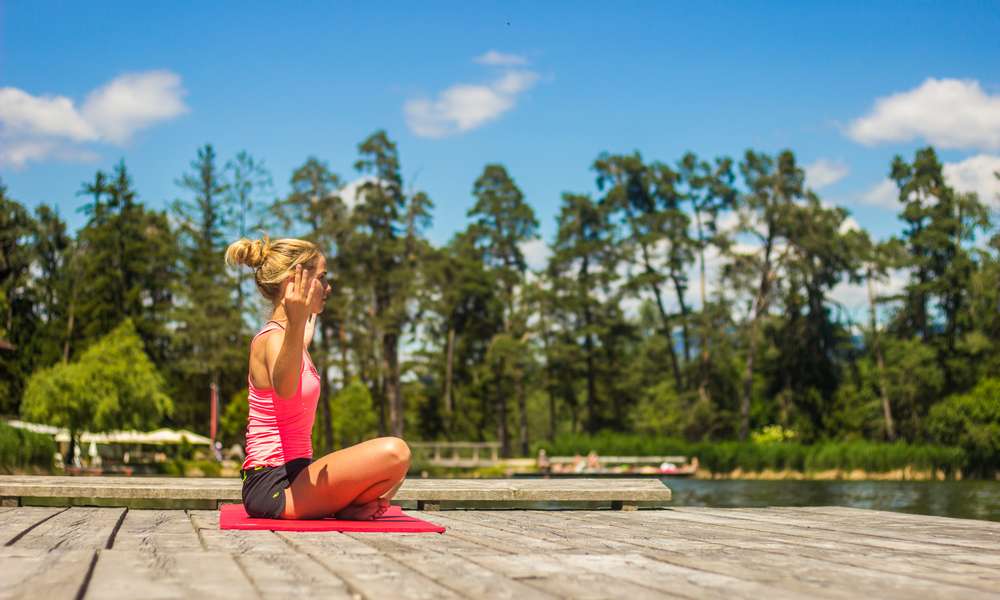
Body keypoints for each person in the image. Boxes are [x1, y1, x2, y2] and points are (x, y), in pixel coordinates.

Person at [226, 235, 411, 520]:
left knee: (394, 470)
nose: (328, 287)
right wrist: (297, 323)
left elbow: (290, 362)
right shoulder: (272, 339)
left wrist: (300, 332)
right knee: (395, 452)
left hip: (297, 476)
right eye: (322, 278)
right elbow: (285, 390)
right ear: (294, 282)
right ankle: (340, 507)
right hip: (273, 484)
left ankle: (341, 507)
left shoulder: (290, 340)